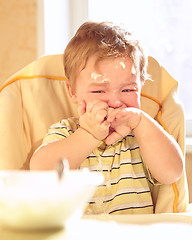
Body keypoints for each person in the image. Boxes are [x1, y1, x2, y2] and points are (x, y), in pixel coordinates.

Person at [30, 21, 183, 214]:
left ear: (141, 88)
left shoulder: (142, 138)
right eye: (99, 90)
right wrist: (88, 134)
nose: (115, 101)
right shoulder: (66, 132)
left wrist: (141, 122)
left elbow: (172, 173)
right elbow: (41, 173)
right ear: (73, 92)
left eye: (128, 89)